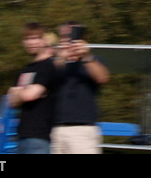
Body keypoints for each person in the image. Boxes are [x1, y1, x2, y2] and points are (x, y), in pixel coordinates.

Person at [51, 21, 111, 154]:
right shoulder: (55, 63)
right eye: (63, 36)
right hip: (56, 129)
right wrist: (61, 58)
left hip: (82, 129)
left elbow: (103, 78)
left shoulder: (93, 60)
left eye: (71, 36)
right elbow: (47, 79)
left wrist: (85, 56)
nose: (67, 40)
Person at [8, 22, 61, 154]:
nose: (31, 42)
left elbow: (29, 95)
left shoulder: (49, 66)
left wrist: (19, 92)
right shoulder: (25, 70)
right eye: (27, 39)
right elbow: (12, 102)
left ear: (44, 40)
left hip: (40, 136)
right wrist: (22, 93)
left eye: (35, 38)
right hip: (22, 134)